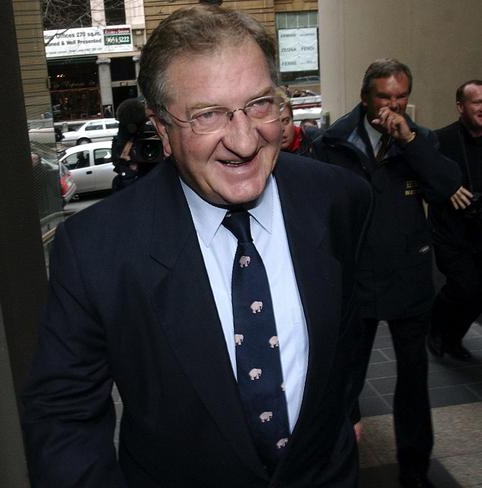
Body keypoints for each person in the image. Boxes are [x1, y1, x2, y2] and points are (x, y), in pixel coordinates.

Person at [22, 5, 371, 487]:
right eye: (209, 115)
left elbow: (351, 328)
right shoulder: (95, 249)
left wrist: (343, 410)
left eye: (260, 105)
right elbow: (63, 420)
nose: (245, 141)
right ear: (162, 129)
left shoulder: (338, 198)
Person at [313, 59, 467, 488]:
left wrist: (412, 142)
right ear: (365, 98)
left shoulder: (420, 141)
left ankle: (415, 470)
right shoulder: (334, 142)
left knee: (413, 379)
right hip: (356, 282)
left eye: (401, 97)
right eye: (385, 97)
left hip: (409, 279)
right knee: (346, 379)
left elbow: (445, 187)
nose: (393, 107)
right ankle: (338, 460)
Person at [428, 80, 482, 360]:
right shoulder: (441, 140)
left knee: (478, 293)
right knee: (464, 286)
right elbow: (427, 180)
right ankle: (435, 329)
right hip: (451, 233)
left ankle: (453, 338)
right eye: (477, 102)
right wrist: (447, 190)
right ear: (461, 107)